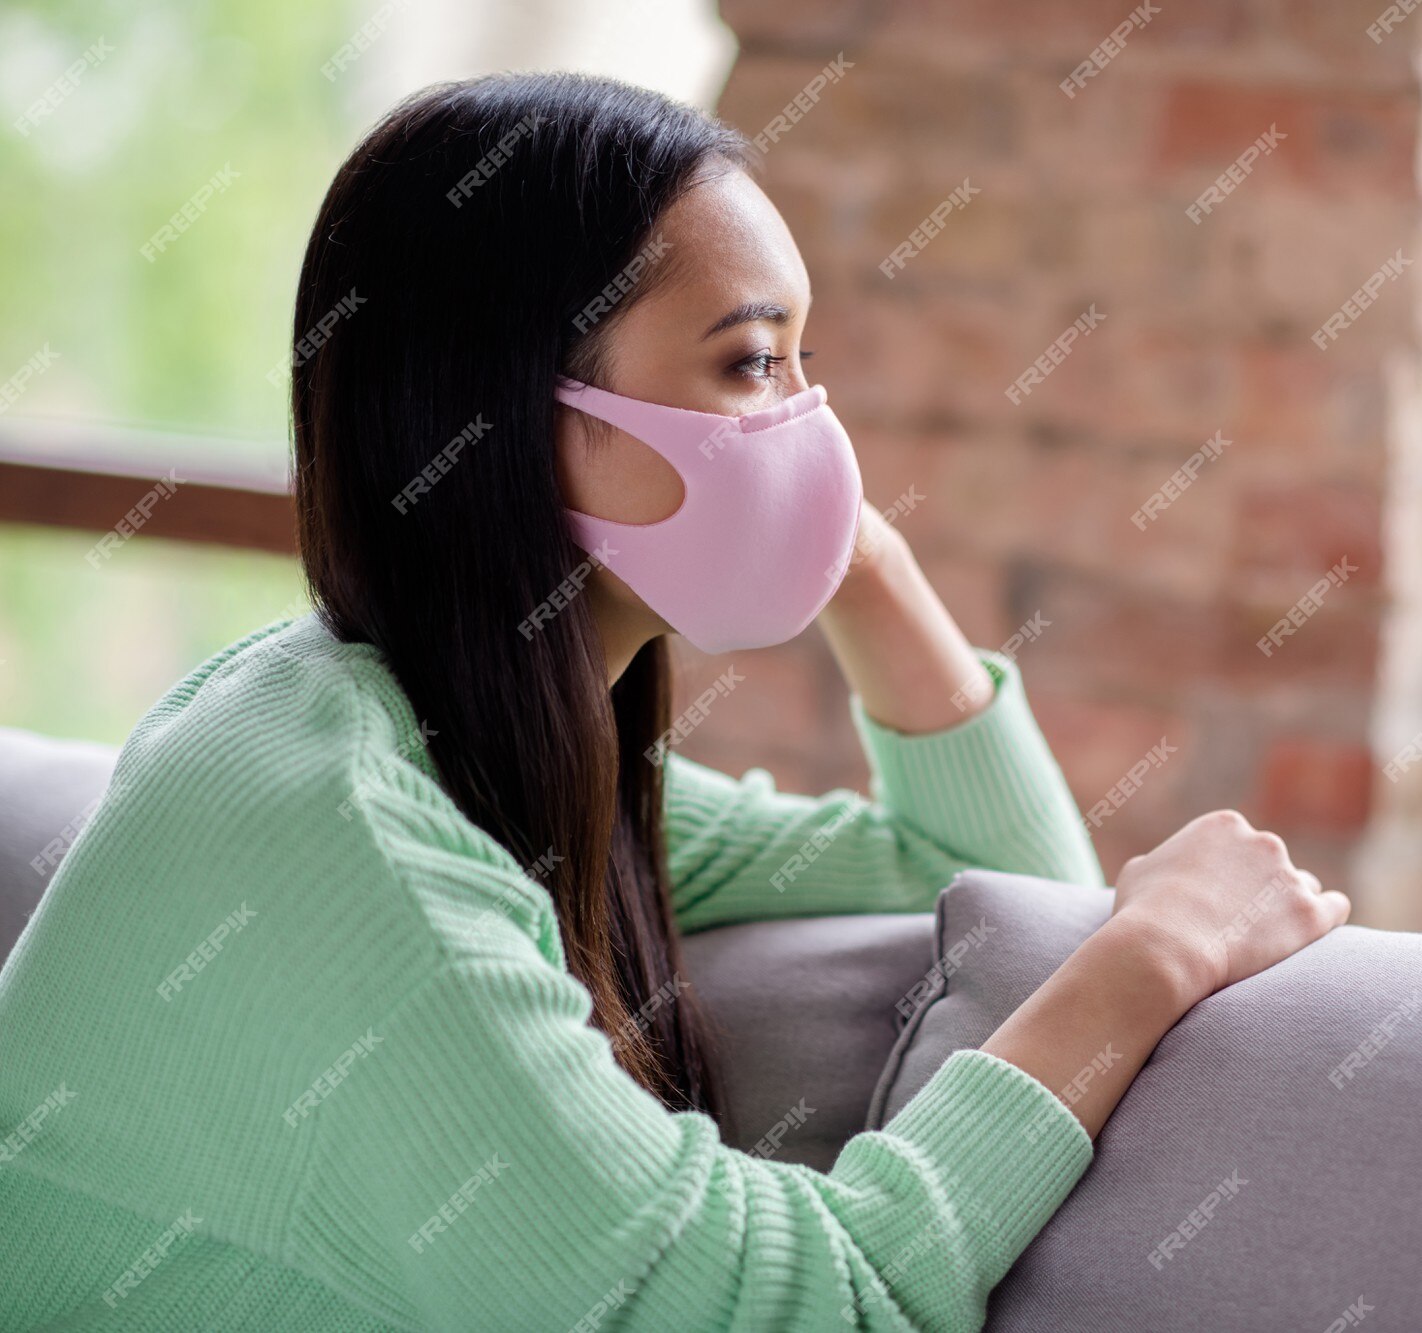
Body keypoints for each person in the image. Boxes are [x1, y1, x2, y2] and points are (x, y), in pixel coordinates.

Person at [0, 73, 1348, 1331]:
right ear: (520, 415)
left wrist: (861, 561)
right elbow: (802, 1303)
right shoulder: (338, 833)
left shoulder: (456, 737)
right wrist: (1154, 957)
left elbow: (987, 891)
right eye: (755, 364)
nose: (812, 423)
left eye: (805, 365)